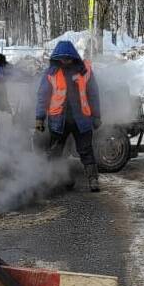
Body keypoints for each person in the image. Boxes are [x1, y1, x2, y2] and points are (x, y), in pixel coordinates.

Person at [35, 40, 102, 192]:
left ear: (73, 56)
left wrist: (96, 116)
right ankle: (62, 179)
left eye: (68, 57)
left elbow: (93, 94)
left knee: (86, 150)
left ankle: (93, 180)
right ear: (57, 57)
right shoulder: (50, 73)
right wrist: (40, 117)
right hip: (59, 120)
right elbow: (42, 96)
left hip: (82, 119)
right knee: (55, 152)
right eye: (62, 58)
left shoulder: (85, 71)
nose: (65, 61)